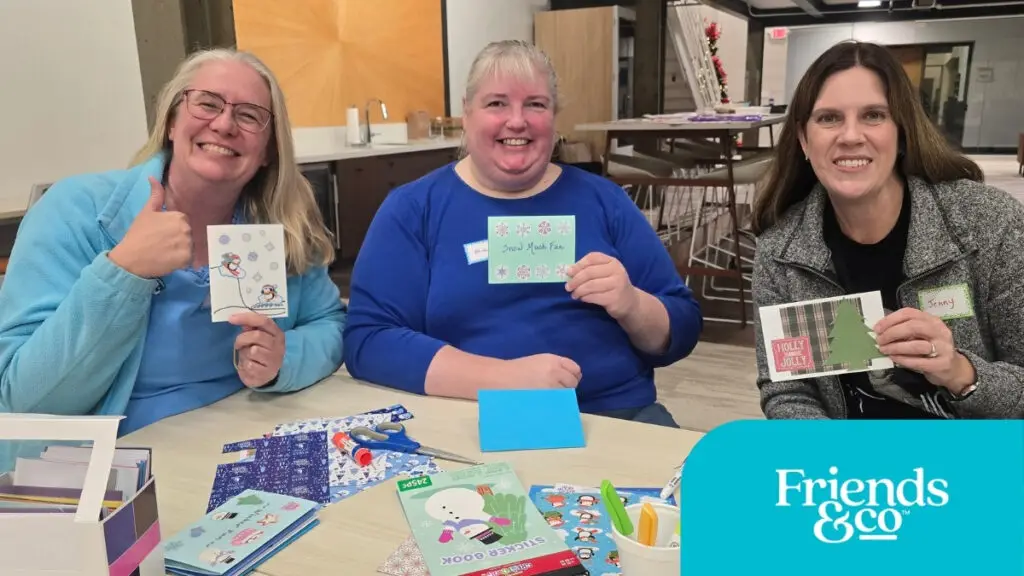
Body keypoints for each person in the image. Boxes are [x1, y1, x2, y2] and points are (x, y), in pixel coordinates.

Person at [342, 40, 703, 428]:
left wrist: (632, 304)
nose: (517, 121)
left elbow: (681, 328)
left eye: (535, 104)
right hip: (468, 419)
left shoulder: (604, 200)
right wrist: (504, 378)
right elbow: (369, 341)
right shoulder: (415, 209)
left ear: (554, 116)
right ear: (467, 113)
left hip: (614, 415)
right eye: (496, 103)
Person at [0, 49, 345, 438]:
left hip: (248, 437)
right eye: (207, 104)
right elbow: (24, 400)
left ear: (268, 151)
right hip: (120, 463)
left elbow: (329, 323)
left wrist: (285, 358)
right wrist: (123, 272)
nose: (225, 124)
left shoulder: (281, 225)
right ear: (171, 122)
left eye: (249, 115)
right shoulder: (73, 211)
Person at [750, 40, 1024, 419]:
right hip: (847, 468)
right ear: (803, 139)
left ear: (901, 133)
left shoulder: (990, 225)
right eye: (829, 118)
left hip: (971, 461)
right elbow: (787, 392)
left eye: (874, 115)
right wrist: (840, 466)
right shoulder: (780, 252)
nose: (850, 136)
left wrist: (960, 371)